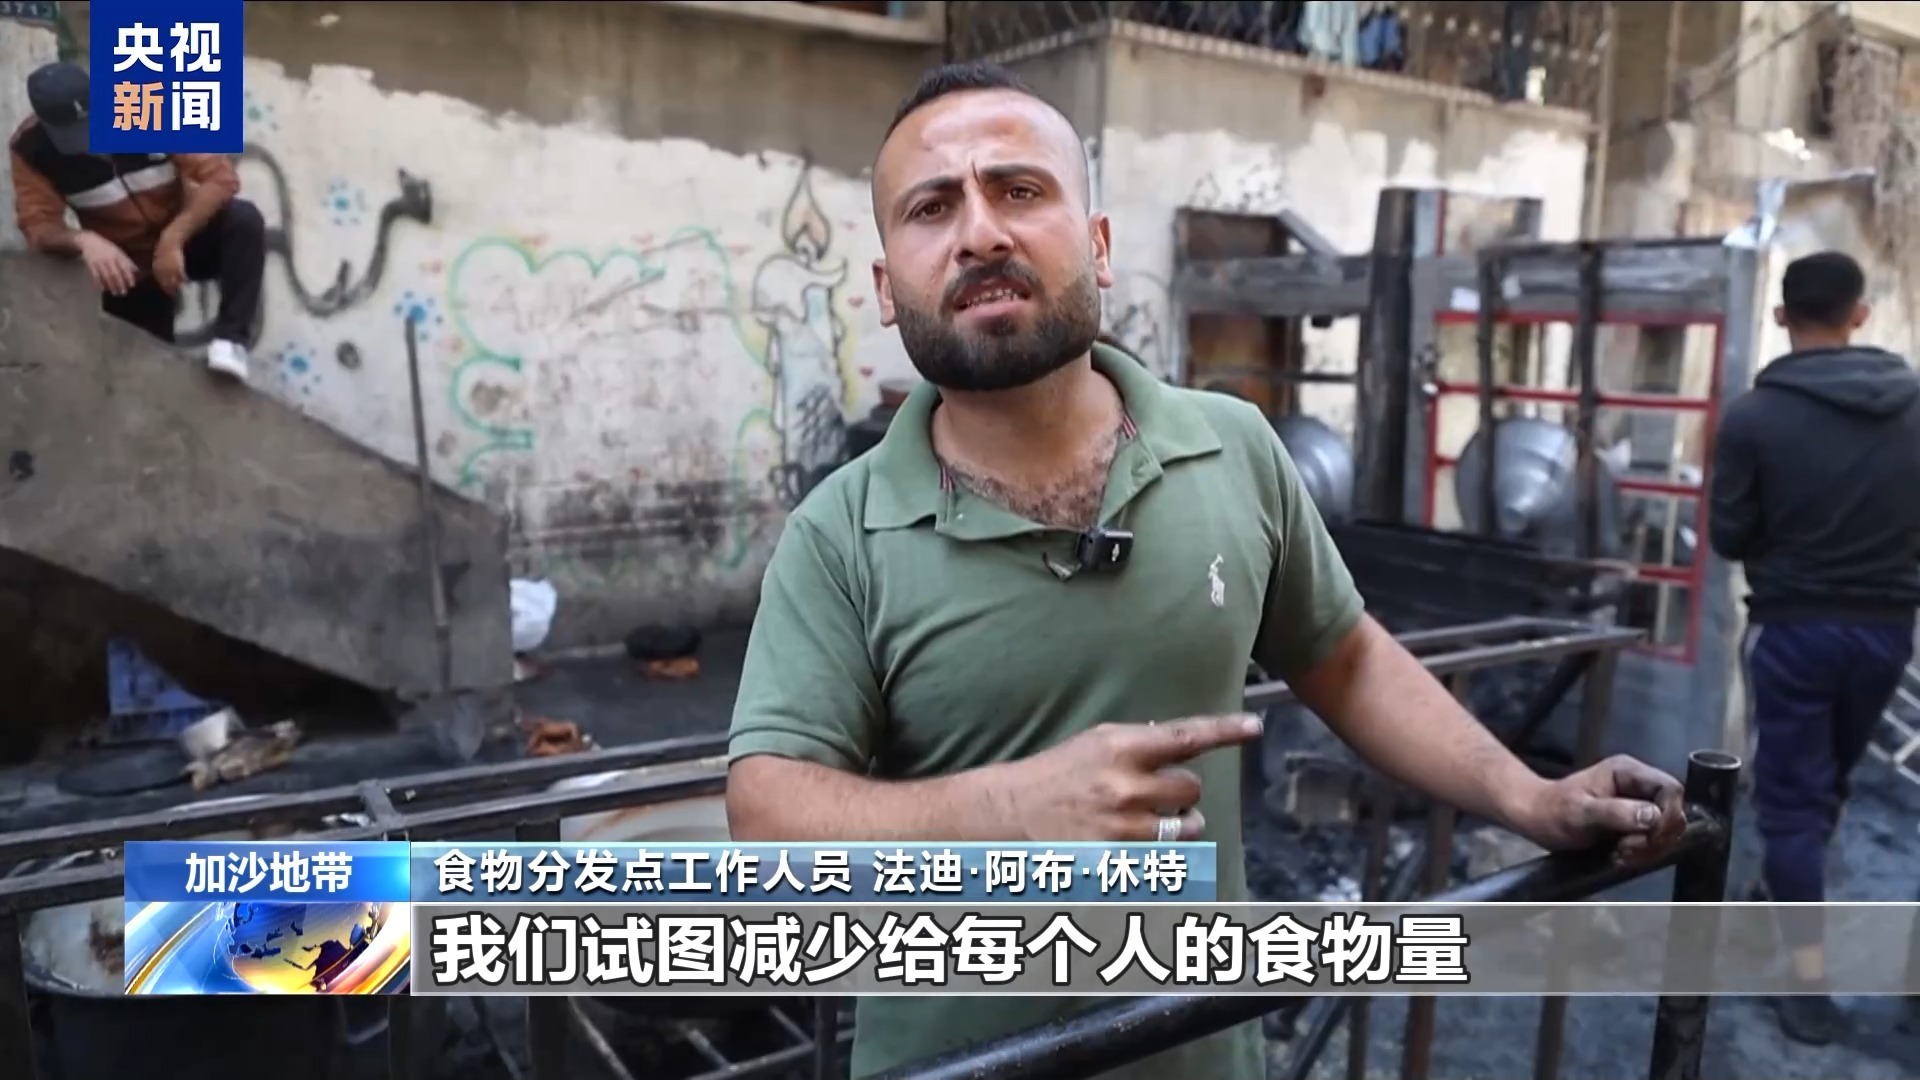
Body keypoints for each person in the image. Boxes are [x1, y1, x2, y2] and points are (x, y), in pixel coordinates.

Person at [727, 62, 1689, 1080]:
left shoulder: (1234, 448)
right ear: (888, 288)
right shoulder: (839, 534)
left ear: (1098, 245)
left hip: (1203, 1047)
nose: (981, 232)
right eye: (932, 207)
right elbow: (768, 814)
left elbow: (1344, 657)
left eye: (1019, 189)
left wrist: (1528, 796)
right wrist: (1005, 814)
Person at [1709, 249, 1920, 1045]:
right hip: (1887, 632)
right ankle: (1784, 898)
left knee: (1792, 801)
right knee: (1827, 785)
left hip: (1792, 629)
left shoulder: (1753, 418)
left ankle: (1805, 983)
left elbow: (1730, 536)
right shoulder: (1915, 407)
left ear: (1779, 317)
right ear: (1860, 313)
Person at [10, 61, 263, 381]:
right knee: (147, 368)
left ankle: (231, 341)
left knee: (243, 221)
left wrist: (174, 238)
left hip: (185, 240)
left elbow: (221, 178)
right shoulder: (30, 149)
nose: (89, 139)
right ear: (45, 123)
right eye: (73, 135)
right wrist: (83, 240)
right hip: (126, 266)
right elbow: (38, 227)